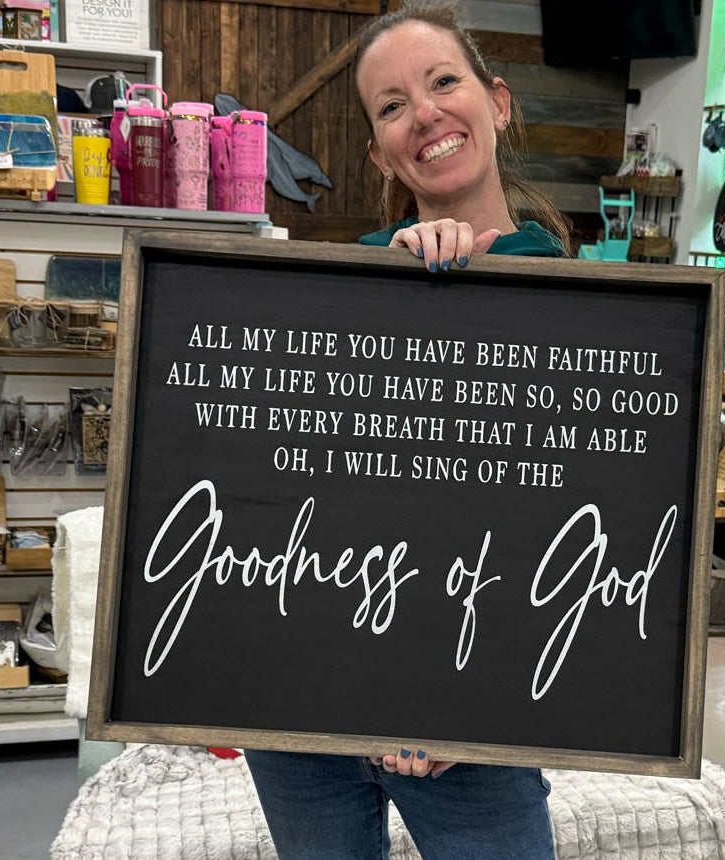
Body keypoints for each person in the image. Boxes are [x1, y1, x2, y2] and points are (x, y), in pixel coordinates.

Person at [245, 2, 569, 857]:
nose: (422, 113)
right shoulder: (346, 285)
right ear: (378, 151)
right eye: (391, 106)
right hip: (303, 722)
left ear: (498, 102)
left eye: (443, 81)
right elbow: (286, 495)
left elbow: (565, 540)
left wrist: (462, 704)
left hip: (471, 728)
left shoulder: (579, 308)